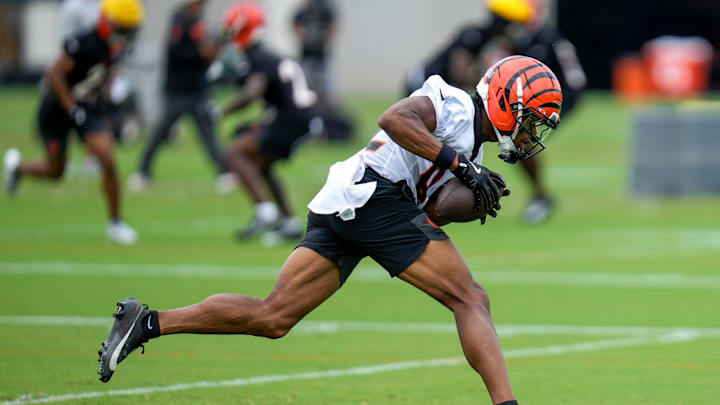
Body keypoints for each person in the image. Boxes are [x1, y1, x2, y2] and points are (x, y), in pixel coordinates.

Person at [97, 55, 563, 405]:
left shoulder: (473, 150)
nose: (529, 135)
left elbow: (430, 214)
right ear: (504, 102)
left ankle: (148, 321)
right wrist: (460, 166)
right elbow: (394, 119)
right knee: (470, 298)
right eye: (530, 121)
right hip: (374, 196)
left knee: (273, 317)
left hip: (358, 200)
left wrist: (469, 197)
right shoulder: (457, 106)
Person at [2, 0, 144, 244]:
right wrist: (72, 108)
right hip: (58, 108)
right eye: (125, 27)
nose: (127, 34)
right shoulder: (84, 42)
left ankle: (115, 222)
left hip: (89, 106)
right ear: (109, 22)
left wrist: (116, 105)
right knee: (56, 171)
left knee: (107, 160)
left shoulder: (116, 48)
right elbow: (54, 75)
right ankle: (18, 169)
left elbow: (104, 79)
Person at [220, 2, 323, 244]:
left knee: (235, 152)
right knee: (261, 162)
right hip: (299, 117)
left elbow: (252, 93)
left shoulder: (257, 57)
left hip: (293, 119)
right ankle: (288, 223)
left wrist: (221, 111)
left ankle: (265, 212)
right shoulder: (264, 55)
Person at [128, 0, 232, 193]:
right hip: (178, 89)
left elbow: (206, 50)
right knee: (160, 132)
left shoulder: (198, 18)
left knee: (208, 131)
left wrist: (212, 50)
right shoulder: (180, 18)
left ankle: (224, 172)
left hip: (198, 88)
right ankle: (142, 172)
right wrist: (200, 54)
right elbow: (175, 51)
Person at [509, 19, 586, 224]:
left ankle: (541, 197)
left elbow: (572, 79)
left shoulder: (546, 38)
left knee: (521, 143)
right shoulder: (522, 37)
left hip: (557, 98)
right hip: (536, 99)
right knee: (517, 144)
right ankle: (540, 196)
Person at [403, 0, 535, 96]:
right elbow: (458, 73)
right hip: (423, 82)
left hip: (438, 87)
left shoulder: (495, 41)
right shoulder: (474, 35)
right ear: (503, 22)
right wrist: (488, 87)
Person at [292, 0, 354, 142]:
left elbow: (333, 28)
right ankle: (312, 128)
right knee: (307, 95)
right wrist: (306, 36)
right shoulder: (302, 12)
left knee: (328, 97)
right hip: (306, 58)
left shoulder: (325, 9)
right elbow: (296, 28)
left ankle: (330, 128)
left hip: (322, 58)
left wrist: (320, 37)